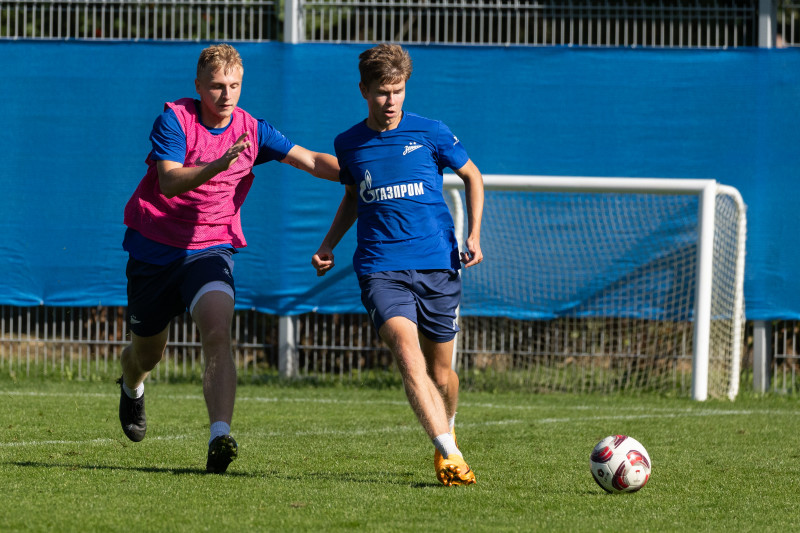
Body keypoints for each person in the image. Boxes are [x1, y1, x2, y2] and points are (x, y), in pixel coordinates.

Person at [118, 43, 339, 474]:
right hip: (154, 250)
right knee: (147, 354)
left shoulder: (252, 129)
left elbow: (311, 160)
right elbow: (168, 182)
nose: (226, 94)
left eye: (234, 85)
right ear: (198, 86)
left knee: (218, 331)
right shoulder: (175, 120)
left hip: (210, 248)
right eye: (217, 86)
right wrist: (217, 165)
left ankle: (220, 435)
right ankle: (131, 385)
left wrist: (362, 171)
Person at [311, 43, 484, 486]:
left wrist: (474, 235)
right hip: (380, 267)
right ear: (364, 91)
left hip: (438, 266)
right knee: (408, 357)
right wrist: (329, 243)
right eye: (382, 93)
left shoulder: (432, 132)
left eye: (398, 91)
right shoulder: (349, 143)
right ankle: (448, 451)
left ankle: (446, 427)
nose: (390, 102)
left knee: (442, 374)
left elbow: (472, 176)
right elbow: (354, 196)